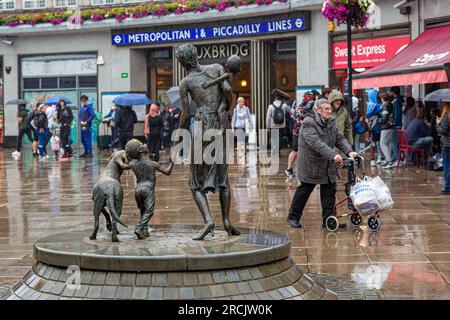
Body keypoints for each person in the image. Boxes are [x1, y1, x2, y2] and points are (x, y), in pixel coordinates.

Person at [286, 98, 357, 229]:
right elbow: (316, 143)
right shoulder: (308, 123)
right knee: (305, 190)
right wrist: (334, 155)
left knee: (329, 191)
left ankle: (329, 220)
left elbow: (339, 138)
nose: (329, 111)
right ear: (318, 110)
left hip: (326, 164)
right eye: (326, 109)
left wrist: (349, 152)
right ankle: (293, 217)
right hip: (311, 164)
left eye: (330, 109)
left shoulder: (330, 122)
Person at [125, 139, 174, 239]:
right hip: (148, 189)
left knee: (143, 210)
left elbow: (123, 165)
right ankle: (139, 228)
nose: (145, 145)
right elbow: (168, 172)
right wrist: (172, 162)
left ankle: (144, 230)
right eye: (142, 144)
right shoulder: (153, 164)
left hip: (137, 190)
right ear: (140, 150)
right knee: (150, 211)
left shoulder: (133, 165)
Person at [285, 92, 314, 178]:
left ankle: (308, 170)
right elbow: (298, 121)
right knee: (295, 151)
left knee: (309, 152)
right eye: (310, 98)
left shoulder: (312, 108)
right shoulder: (300, 108)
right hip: (298, 133)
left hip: (308, 133)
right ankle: (289, 169)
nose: (311, 100)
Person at [437, 102, 450, 195]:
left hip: (447, 144)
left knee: (447, 166)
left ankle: (448, 187)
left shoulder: (447, 116)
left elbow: (443, 131)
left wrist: (438, 124)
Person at [379, 92, 395, 169]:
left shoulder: (385, 105)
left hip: (385, 127)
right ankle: (388, 160)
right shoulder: (390, 105)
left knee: (382, 143)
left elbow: (384, 116)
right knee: (387, 144)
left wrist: (381, 121)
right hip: (390, 126)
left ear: (382, 99)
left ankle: (388, 161)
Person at [367, 89, 383, 166]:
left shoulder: (369, 105)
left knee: (373, 144)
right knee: (378, 143)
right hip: (376, 127)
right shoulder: (377, 105)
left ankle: (373, 159)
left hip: (372, 127)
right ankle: (379, 158)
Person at [391, 86, 404, 164]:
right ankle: (399, 157)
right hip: (398, 124)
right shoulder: (398, 100)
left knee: (394, 142)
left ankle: (396, 158)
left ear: (394, 92)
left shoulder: (396, 102)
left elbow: (397, 114)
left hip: (396, 125)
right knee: (397, 142)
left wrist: (395, 122)